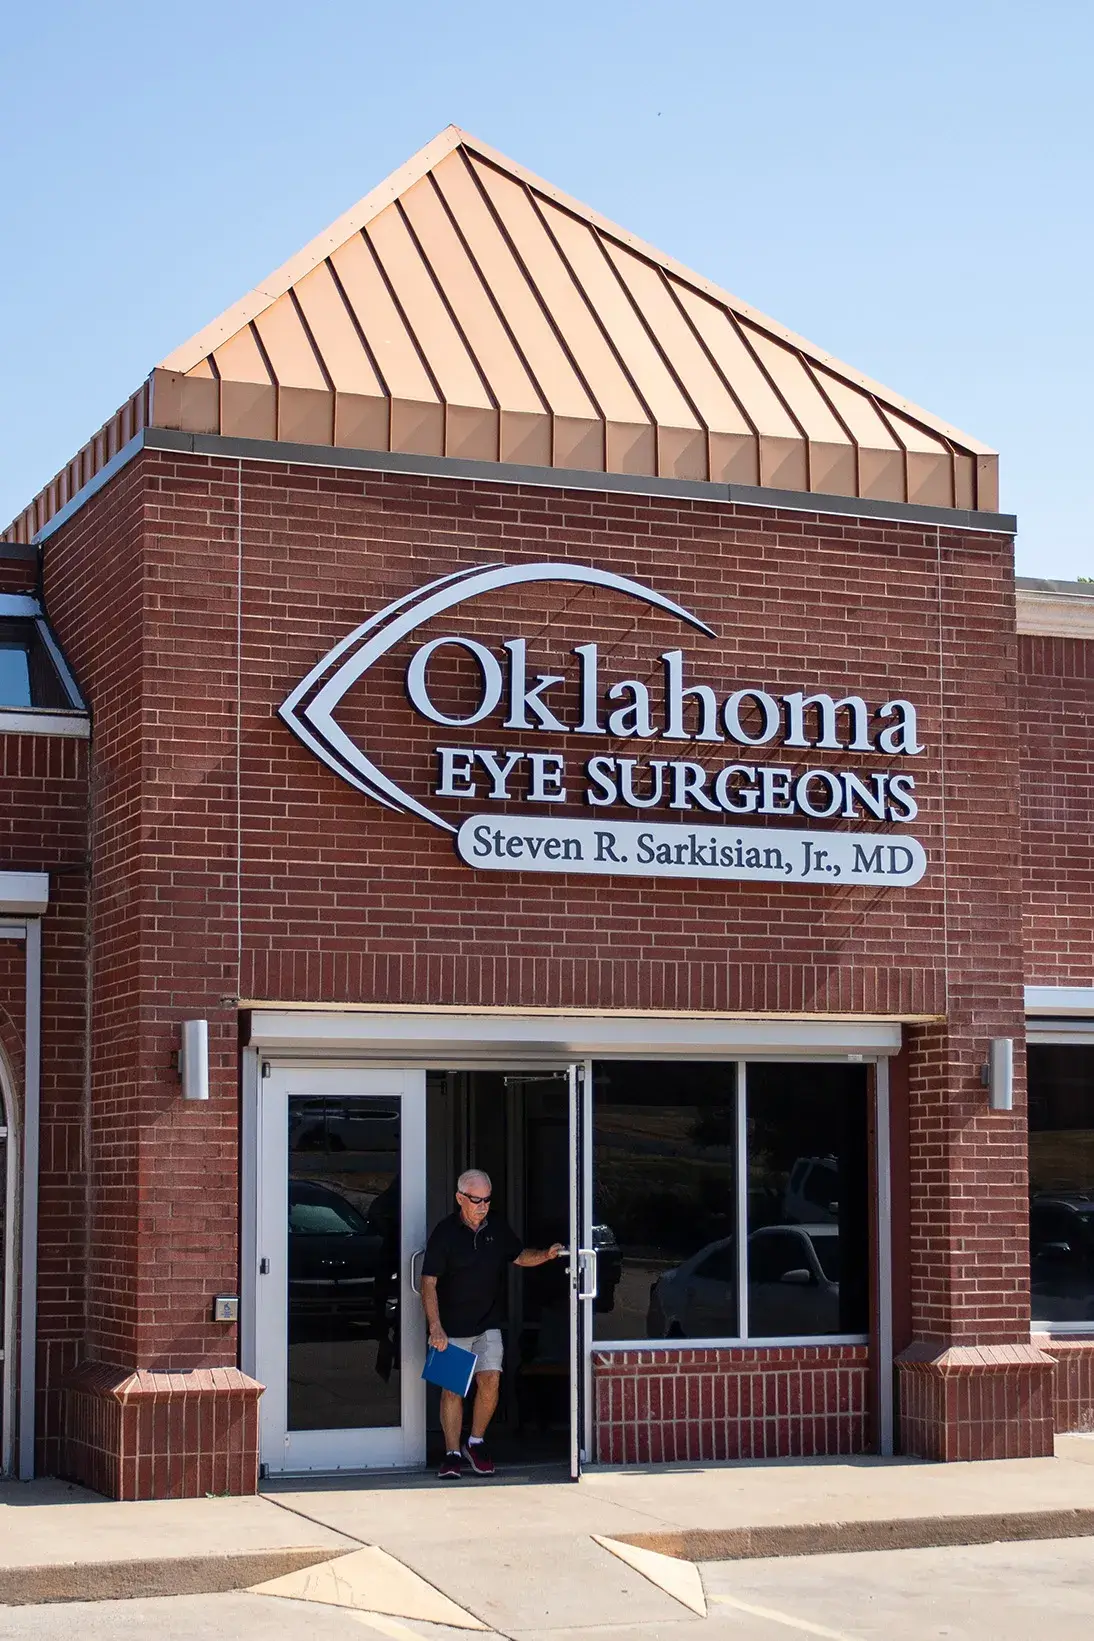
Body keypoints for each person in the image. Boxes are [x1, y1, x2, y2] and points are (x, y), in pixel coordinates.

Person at [420, 1168, 565, 1479]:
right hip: (452, 1326)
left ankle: (476, 1442)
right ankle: (451, 1453)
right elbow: (429, 1281)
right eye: (476, 1200)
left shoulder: (496, 1226)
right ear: (460, 1198)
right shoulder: (445, 1233)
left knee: (490, 1380)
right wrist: (435, 1326)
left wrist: (546, 1255)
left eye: (487, 1200)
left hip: (488, 1322)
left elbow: (518, 1255)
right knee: (453, 1390)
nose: (483, 1206)